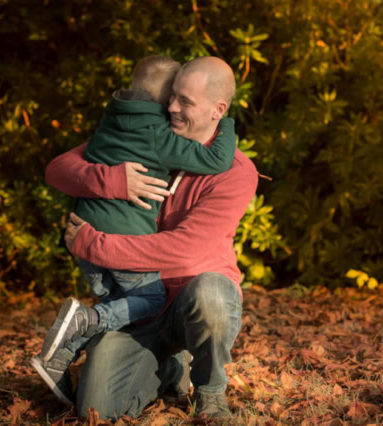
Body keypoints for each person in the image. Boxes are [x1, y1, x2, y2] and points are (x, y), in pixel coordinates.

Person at [44, 56, 258, 420]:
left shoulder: (235, 172)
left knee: (212, 294)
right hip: (137, 303)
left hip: (190, 298)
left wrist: (94, 245)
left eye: (185, 103)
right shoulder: (149, 135)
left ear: (217, 110)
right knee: (96, 409)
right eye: (171, 96)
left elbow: (183, 249)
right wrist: (113, 180)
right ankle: (170, 368)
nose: (171, 108)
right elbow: (58, 169)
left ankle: (210, 393)